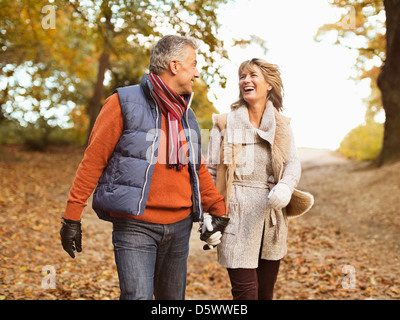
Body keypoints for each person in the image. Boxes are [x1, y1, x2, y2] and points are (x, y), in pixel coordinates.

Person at [60, 35, 226, 300]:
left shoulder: (187, 114)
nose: (196, 72)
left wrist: (218, 211)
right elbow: (93, 161)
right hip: (136, 225)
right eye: (193, 64)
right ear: (174, 66)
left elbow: (196, 167)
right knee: (137, 296)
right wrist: (71, 217)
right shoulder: (122, 103)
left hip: (180, 226)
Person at [206, 58, 314, 300]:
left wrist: (286, 187)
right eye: (242, 76)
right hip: (235, 215)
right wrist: (209, 213)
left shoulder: (282, 125)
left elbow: (292, 163)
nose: (246, 80)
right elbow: (211, 171)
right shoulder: (224, 124)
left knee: (265, 293)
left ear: (269, 85)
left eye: (253, 75)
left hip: (271, 217)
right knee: (246, 293)